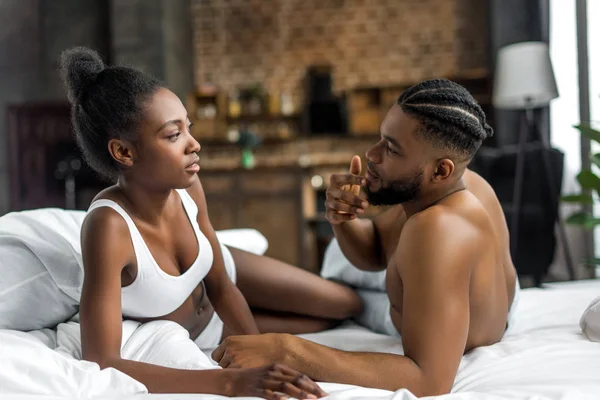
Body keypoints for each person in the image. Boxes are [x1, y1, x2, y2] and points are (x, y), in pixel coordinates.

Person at [60, 46, 363, 399]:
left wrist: (261, 352)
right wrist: (235, 381)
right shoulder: (108, 227)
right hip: (208, 335)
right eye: (174, 135)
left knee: (346, 306)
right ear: (124, 152)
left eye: (189, 128)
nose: (195, 144)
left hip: (226, 283)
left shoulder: (189, 186)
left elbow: (221, 285)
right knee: (323, 326)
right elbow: (102, 359)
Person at [211, 78, 519, 397]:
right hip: (435, 299)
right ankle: (202, 274)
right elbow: (374, 253)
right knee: (333, 297)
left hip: (420, 303)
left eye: (391, 148)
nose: (372, 154)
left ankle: (202, 277)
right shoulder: (450, 188)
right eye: (380, 139)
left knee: (331, 297)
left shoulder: (438, 228)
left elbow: (430, 381)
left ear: (441, 171)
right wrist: (342, 219)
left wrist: (286, 350)